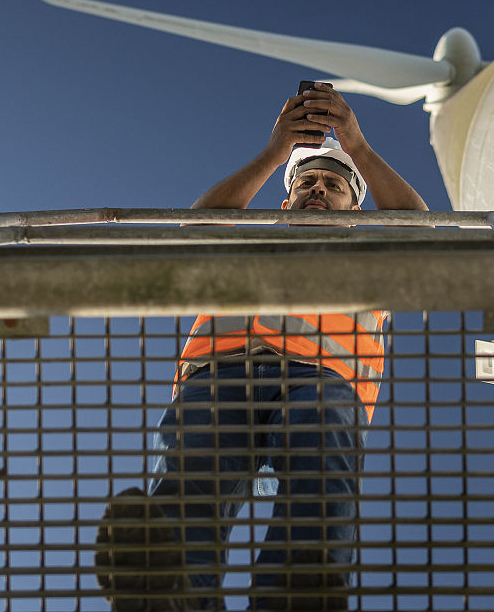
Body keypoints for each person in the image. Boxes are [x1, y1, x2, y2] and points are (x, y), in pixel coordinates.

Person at [95, 83, 427, 611]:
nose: (318, 188)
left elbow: (422, 230)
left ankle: (291, 597)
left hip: (321, 381)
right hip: (221, 375)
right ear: (286, 197)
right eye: (307, 181)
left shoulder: (373, 254)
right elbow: (194, 227)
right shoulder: (247, 239)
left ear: (357, 209)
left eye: (334, 185)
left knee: (321, 461)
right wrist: (276, 152)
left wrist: (358, 149)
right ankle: (174, 595)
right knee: (194, 476)